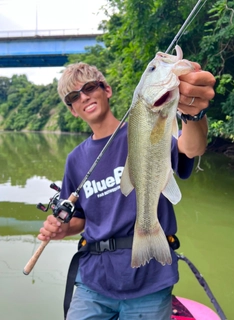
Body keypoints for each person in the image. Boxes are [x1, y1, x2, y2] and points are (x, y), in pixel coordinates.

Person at [38, 60, 215, 320]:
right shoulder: (75, 160)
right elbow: (79, 219)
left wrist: (193, 113)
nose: (84, 96)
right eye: (75, 96)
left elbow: (192, 147)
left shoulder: (145, 127)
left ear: (106, 89)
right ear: (73, 110)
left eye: (89, 87)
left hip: (150, 279)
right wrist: (63, 228)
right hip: (93, 282)